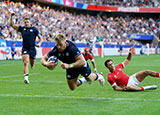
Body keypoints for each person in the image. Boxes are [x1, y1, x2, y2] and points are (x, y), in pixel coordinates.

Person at [10, 13, 43, 84]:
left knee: (32, 64)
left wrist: (39, 43)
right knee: (25, 63)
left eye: (27, 22)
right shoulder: (22, 28)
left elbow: (40, 38)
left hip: (32, 49)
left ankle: (32, 65)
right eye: (25, 22)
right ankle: (26, 78)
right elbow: (12, 25)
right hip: (25, 48)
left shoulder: (34, 29)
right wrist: (11, 17)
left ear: (30, 22)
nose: (26, 23)